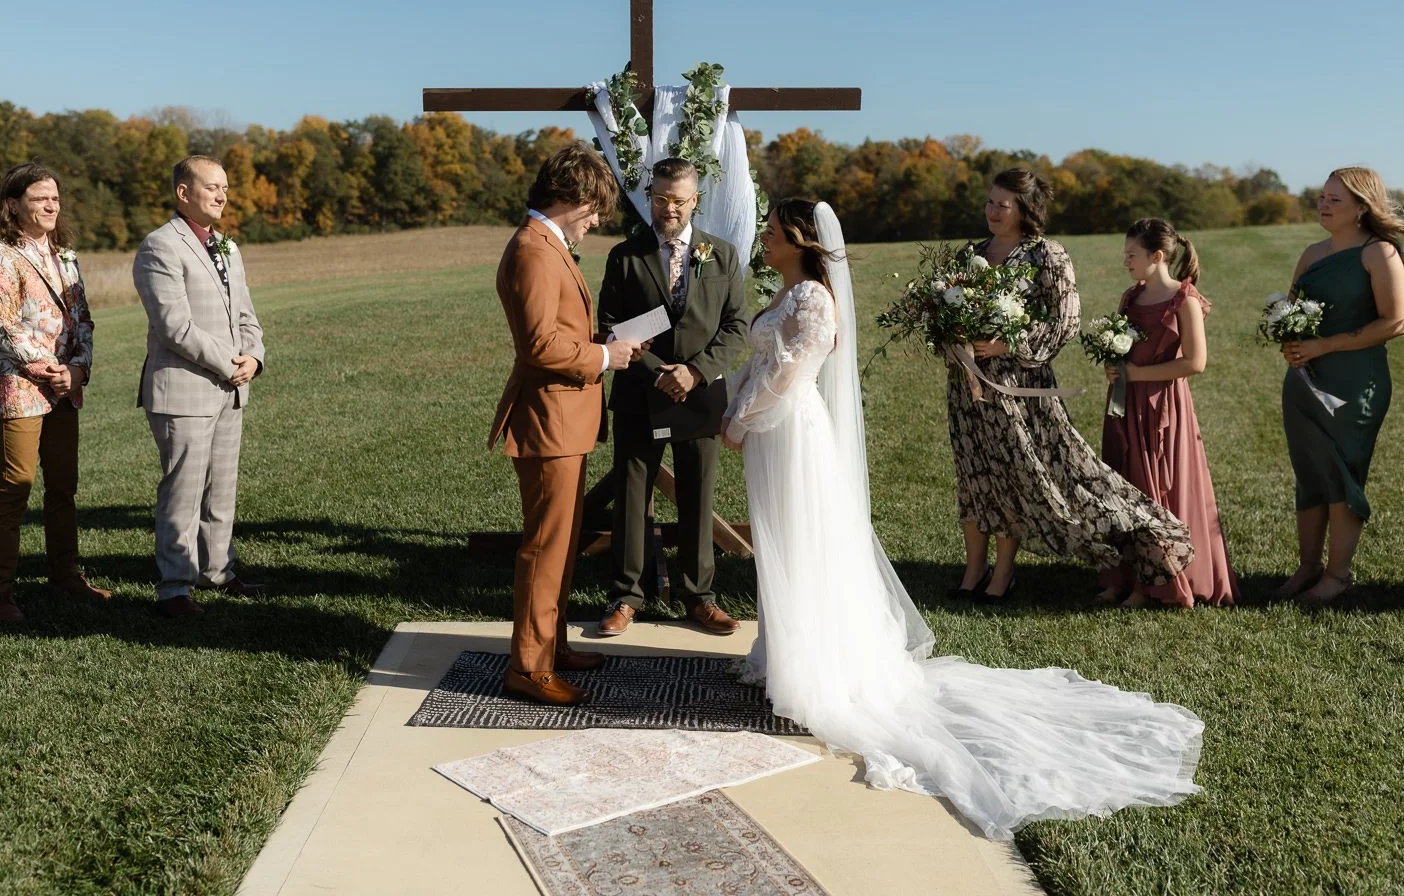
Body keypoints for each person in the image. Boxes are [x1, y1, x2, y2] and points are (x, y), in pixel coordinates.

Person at [722, 198, 1203, 841]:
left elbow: (793, 368)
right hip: (770, 432)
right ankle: (783, 650)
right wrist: (742, 407)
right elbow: (763, 360)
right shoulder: (785, 290)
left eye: (773, 232)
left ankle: (816, 668)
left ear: (800, 241)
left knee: (803, 540)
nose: (765, 240)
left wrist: (739, 416)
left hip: (789, 429)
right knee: (784, 541)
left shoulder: (811, 297)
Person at [947, 168, 1192, 601]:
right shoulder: (970, 255)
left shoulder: (1048, 254)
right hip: (967, 383)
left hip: (1019, 385)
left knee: (1015, 474)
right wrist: (953, 339)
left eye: (1002, 205)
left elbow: (1066, 320)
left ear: (1025, 209)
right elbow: (945, 313)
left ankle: (1003, 576)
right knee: (972, 472)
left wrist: (1008, 344)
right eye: (989, 203)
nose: (992, 211)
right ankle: (971, 574)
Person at [490, 142, 645, 705]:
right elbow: (537, 345)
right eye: (595, 208)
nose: (598, 220)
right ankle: (528, 668)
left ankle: (549, 646)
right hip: (548, 419)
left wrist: (600, 343)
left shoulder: (547, 245)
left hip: (565, 418)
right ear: (572, 198)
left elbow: (555, 333)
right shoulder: (534, 249)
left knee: (561, 542)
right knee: (545, 546)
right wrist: (605, 358)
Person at [596, 157, 747, 637]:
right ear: (650, 197)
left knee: (698, 496)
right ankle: (626, 596)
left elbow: (737, 326)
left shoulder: (722, 255)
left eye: (679, 200)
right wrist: (657, 371)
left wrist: (696, 372)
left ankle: (699, 597)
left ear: (695, 200)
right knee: (632, 495)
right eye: (661, 198)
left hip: (700, 396)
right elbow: (609, 324)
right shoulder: (625, 256)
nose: (669, 208)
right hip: (641, 393)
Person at [0, 163, 108, 622]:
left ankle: (66, 575)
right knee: (16, 487)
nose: (52, 205)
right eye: (40, 198)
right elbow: (2, 328)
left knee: (63, 487)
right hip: (19, 388)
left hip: (64, 388)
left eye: (55, 198)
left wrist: (77, 370)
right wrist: (52, 371)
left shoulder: (65, 255)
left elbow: (83, 320)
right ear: (13, 205)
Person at [133, 155, 267, 618]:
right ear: (183, 193)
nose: (222, 195)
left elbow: (246, 313)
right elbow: (174, 327)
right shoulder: (159, 247)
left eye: (225, 188)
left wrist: (255, 356)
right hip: (184, 388)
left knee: (221, 486)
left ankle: (218, 570)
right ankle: (174, 588)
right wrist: (229, 362)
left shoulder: (228, 247)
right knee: (183, 489)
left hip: (231, 387)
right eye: (212, 187)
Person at [1276, 167, 1404, 605]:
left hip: (1355, 383)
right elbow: (1289, 312)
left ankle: (1338, 575)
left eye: (1335, 199)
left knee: (1342, 474)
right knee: (1309, 474)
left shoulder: (1379, 254)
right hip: (1304, 381)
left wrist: (1324, 344)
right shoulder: (1312, 254)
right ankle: (1308, 566)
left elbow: (1395, 321)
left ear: (1362, 208)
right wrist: (1290, 344)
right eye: (1322, 196)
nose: (1323, 204)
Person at [1101, 219, 1237, 607]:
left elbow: (1196, 362)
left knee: (1156, 486)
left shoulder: (1185, 299)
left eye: (1132, 254)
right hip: (1125, 402)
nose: (1125, 261)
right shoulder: (1130, 297)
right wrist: (1114, 366)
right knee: (1124, 484)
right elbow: (1122, 348)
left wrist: (1141, 374)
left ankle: (1157, 583)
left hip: (1163, 405)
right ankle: (1121, 577)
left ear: (1157, 256)